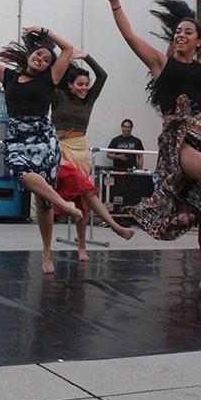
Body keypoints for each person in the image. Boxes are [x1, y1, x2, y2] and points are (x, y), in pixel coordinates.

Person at [94, 0, 201, 302]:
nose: (181, 35)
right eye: (179, 31)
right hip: (177, 140)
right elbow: (129, 34)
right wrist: (115, 2)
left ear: (198, 41)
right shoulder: (160, 63)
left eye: (188, 32)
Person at [0, 14, 83, 274]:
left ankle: (47, 253)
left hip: (42, 138)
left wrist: (44, 29)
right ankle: (65, 204)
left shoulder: (50, 79)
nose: (42, 60)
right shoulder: (9, 76)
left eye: (47, 59)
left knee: (42, 203)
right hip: (16, 137)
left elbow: (67, 49)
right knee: (22, 174)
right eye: (39, 55)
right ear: (30, 55)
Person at [52, 53, 136, 261]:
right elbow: (51, 76)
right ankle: (115, 226)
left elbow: (103, 75)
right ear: (70, 84)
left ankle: (81, 247)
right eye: (79, 84)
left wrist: (87, 56)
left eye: (86, 84)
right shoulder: (58, 95)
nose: (84, 88)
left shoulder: (89, 100)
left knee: (83, 202)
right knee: (86, 190)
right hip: (60, 150)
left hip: (81, 151)